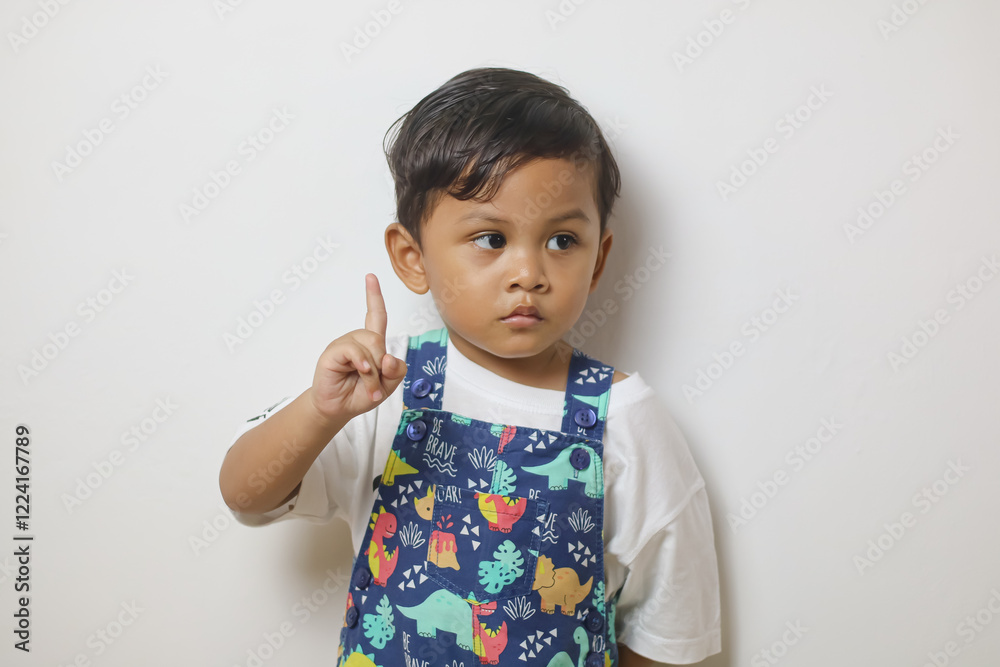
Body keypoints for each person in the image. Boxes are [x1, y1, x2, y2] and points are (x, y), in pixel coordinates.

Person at [219, 67, 721, 666]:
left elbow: (671, 632)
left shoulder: (627, 420)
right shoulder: (382, 384)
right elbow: (245, 494)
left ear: (598, 259)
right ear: (413, 257)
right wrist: (321, 412)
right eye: (491, 239)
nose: (528, 273)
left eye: (562, 240)